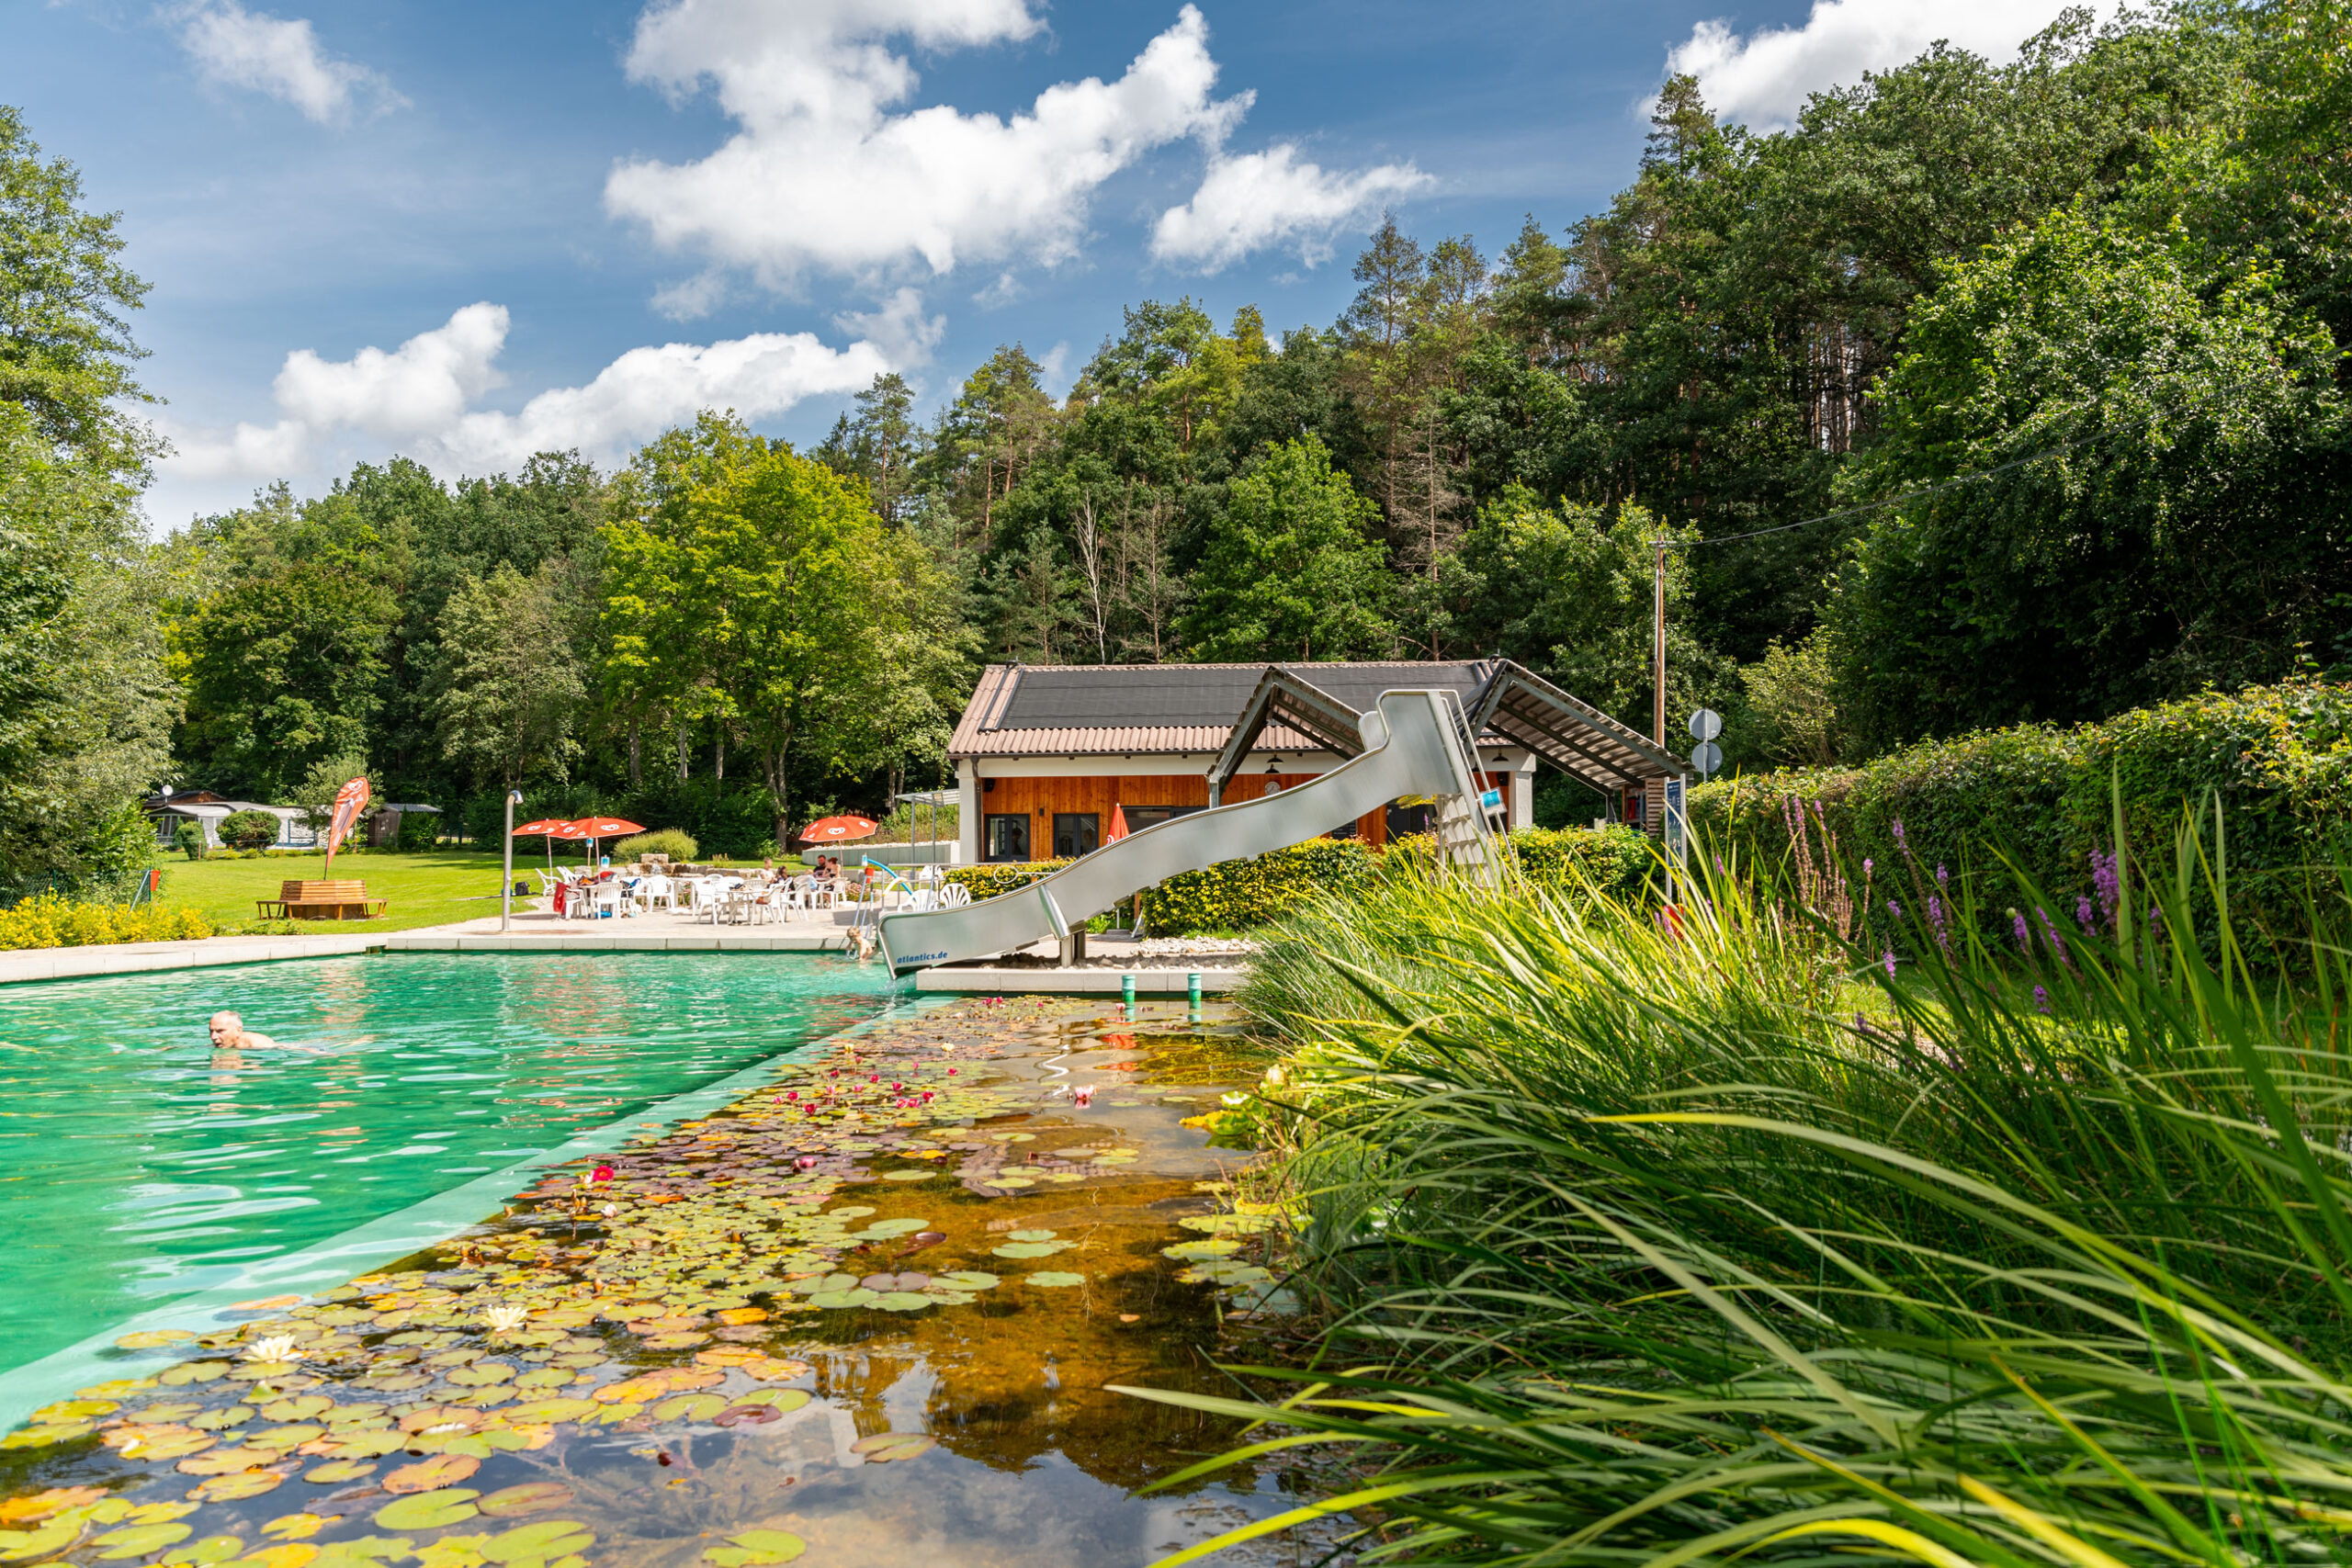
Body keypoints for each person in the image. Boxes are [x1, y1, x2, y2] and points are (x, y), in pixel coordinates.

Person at [209, 1010, 279, 1051]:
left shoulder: (259, 1044)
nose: (213, 1037)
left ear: (238, 1030)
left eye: (220, 1031)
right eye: (211, 1031)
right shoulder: (222, 1044)